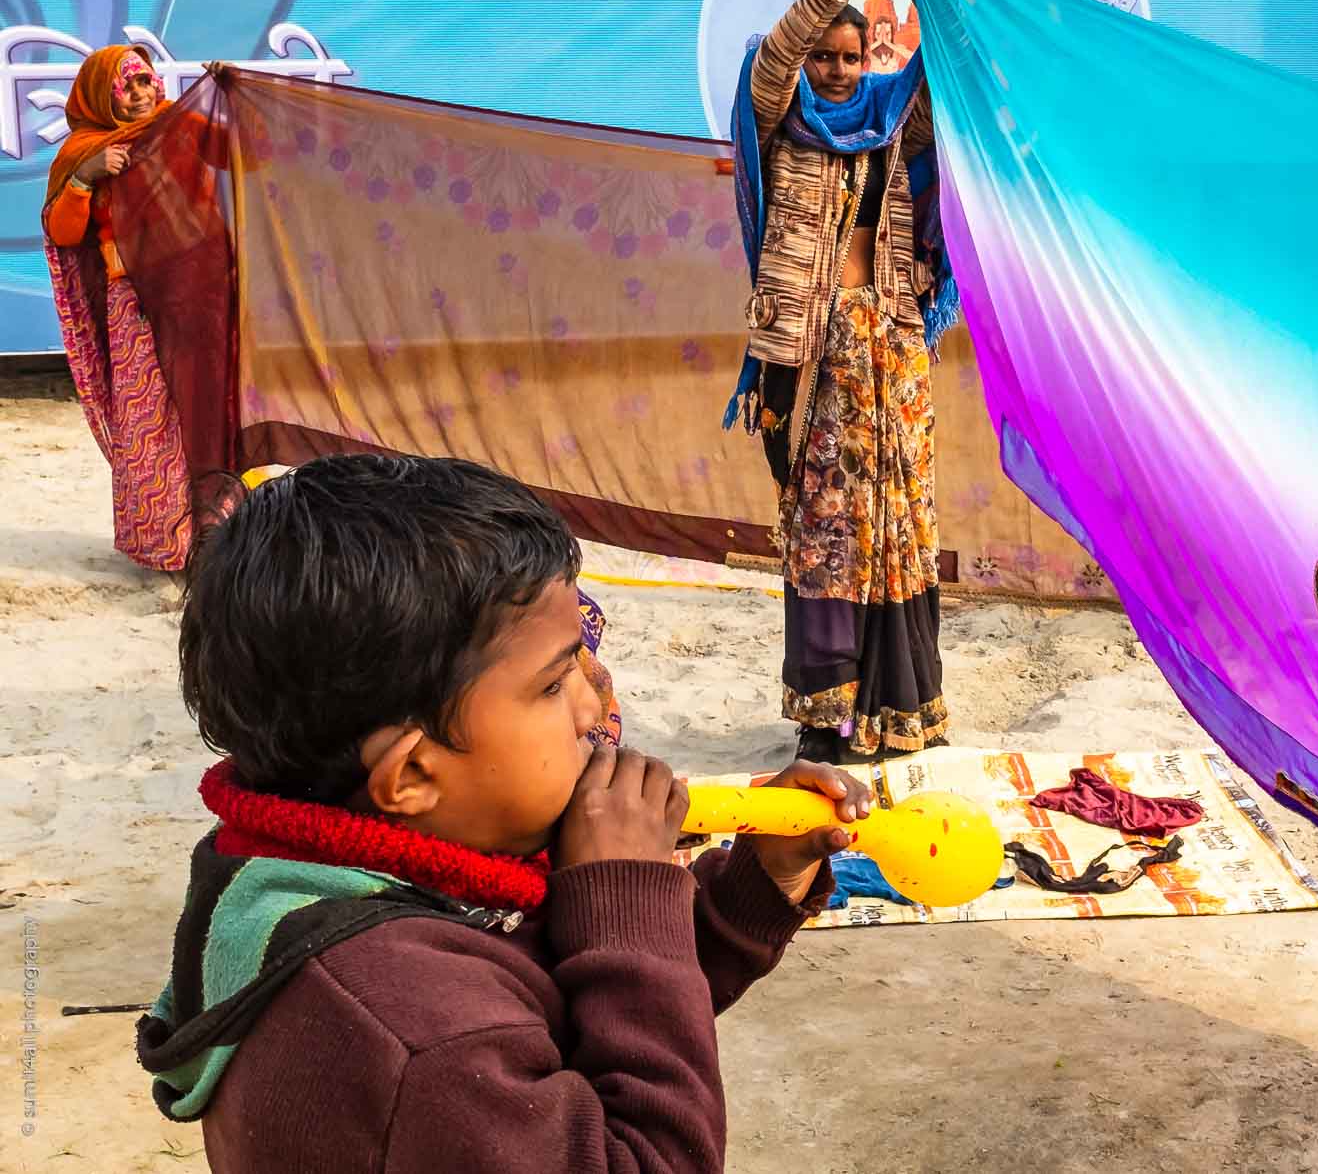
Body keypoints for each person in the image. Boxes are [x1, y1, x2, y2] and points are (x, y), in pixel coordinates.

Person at [135, 454, 868, 1172]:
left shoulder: (333, 872)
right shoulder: (418, 1040)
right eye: (554, 685)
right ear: (415, 771)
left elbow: (592, 994)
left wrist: (755, 886)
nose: (596, 705)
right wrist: (628, 891)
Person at [725, 0, 957, 766]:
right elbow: (780, 49)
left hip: (892, 345)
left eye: (850, 57)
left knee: (898, 520)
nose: (833, 68)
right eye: (825, 55)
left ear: (870, 63)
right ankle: (828, 714)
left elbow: (949, 81)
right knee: (825, 523)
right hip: (809, 352)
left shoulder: (893, 119)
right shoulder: (778, 111)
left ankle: (900, 708)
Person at [40, 44, 198, 570]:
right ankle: (163, 545)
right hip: (135, 301)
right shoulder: (83, 152)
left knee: (206, 410)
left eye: (145, 81)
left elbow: (242, 156)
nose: (140, 93)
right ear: (99, 95)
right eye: (125, 85)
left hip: (198, 292)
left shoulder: (179, 126)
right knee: (147, 419)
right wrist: (86, 177)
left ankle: (220, 536)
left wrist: (225, 97)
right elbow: (63, 233)